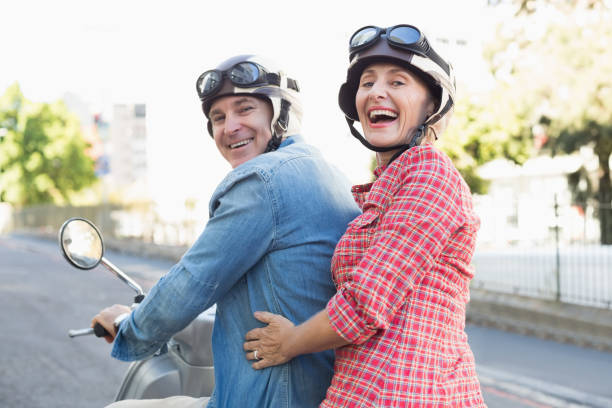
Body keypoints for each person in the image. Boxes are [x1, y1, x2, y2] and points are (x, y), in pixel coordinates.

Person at [93, 55, 360, 408]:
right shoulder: (333, 176)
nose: (229, 127)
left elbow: (193, 280)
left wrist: (129, 329)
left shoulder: (262, 180)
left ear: (279, 115)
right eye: (218, 118)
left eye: (245, 109)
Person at [243, 25, 486, 407]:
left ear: (431, 105)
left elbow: (364, 304)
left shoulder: (429, 172)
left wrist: (289, 342)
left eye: (398, 81)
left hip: (408, 394)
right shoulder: (380, 190)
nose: (376, 92)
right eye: (367, 82)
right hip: (362, 391)